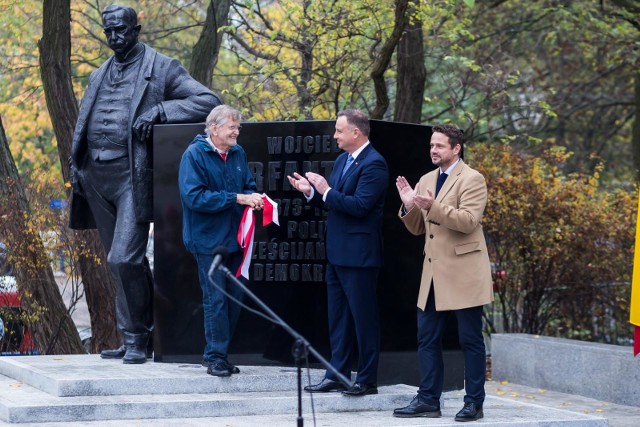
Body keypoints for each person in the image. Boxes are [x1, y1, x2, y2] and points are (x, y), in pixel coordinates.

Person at [69, 4, 221, 364]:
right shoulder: (98, 74)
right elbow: (84, 122)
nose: (114, 38)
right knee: (120, 263)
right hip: (96, 177)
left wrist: (161, 111)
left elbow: (208, 101)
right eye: (108, 32)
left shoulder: (161, 67)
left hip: (131, 178)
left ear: (137, 29)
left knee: (124, 257)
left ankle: (141, 337)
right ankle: (135, 335)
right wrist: (78, 167)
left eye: (121, 30)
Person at [393, 124, 494, 421]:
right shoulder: (426, 179)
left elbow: (468, 221)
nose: (433, 150)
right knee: (426, 338)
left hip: (464, 272)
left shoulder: (473, 179)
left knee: (470, 340)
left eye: (439, 146)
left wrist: (433, 206)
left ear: (456, 148)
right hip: (434, 273)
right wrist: (408, 205)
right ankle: (428, 400)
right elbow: (417, 228)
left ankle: (474, 403)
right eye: (431, 145)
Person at [288, 109, 389, 396]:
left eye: (339, 131)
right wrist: (310, 192)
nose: (335, 136)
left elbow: (359, 206)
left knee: (363, 319)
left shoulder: (375, 164)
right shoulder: (343, 159)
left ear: (356, 132)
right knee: (339, 318)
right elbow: (334, 204)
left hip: (360, 256)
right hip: (336, 253)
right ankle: (337, 372)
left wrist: (326, 189)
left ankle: (367, 380)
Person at [178, 104, 264, 377]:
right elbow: (194, 197)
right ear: (214, 128)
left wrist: (255, 198)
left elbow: (247, 185)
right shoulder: (194, 155)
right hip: (207, 242)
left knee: (234, 299)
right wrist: (236, 198)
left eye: (238, 127)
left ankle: (222, 355)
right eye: (232, 127)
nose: (236, 132)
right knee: (215, 300)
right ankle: (214, 357)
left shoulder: (238, 153)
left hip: (235, 240)